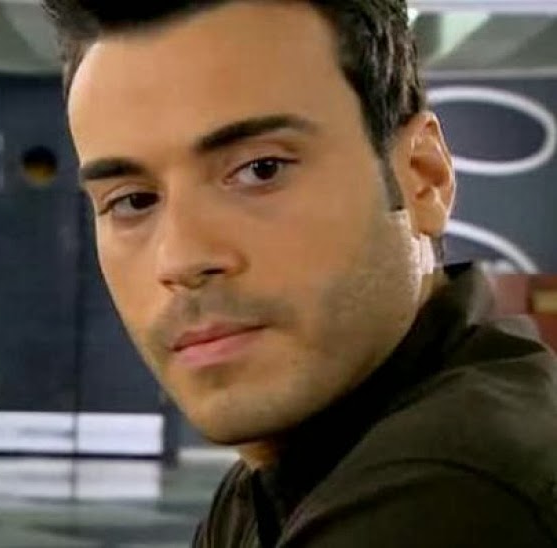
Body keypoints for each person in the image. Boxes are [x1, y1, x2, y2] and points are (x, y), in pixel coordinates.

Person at [42, 1, 557, 546]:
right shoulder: (284, 471)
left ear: (422, 177)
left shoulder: (450, 495)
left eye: (260, 170)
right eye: (133, 200)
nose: (181, 259)